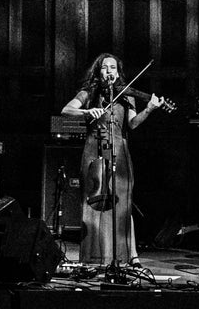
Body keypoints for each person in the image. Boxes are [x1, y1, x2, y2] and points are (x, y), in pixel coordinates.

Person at [61, 53, 163, 266]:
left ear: (118, 72)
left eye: (113, 68)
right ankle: (93, 256)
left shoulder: (127, 95)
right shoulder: (89, 92)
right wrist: (87, 112)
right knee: (92, 202)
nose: (110, 72)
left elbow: (133, 124)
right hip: (93, 150)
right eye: (105, 68)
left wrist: (150, 109)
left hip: (120, 150)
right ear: (99, 71)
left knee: (123, 204)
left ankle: (131, 255)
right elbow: (66, 110)